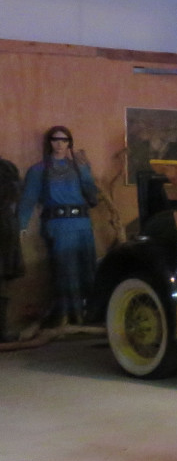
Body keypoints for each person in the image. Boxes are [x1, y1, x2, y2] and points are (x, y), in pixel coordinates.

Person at [17, 126, 100, 326]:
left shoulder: (78, 166)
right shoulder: (39, 170)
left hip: (82, 223)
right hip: (59, 224)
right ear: (49, 142)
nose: (60, 144)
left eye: (64, 140)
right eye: (55, 140)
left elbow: (92, 196)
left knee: (87, 267)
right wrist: (21, 225)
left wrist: (85, 171)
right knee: (65, 269)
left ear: (70, 143)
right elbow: (28, 199)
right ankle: (67, 315)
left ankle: (88, 314)